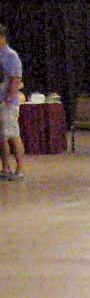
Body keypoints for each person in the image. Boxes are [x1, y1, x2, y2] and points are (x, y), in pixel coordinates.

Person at [0, 22, 21, 182]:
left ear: (2, 37)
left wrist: (9, 99)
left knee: (12, 135)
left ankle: (19, 169)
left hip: (9, 103)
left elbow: (16, 79)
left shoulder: (11, 55)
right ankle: (5, 168)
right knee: (1, 137)